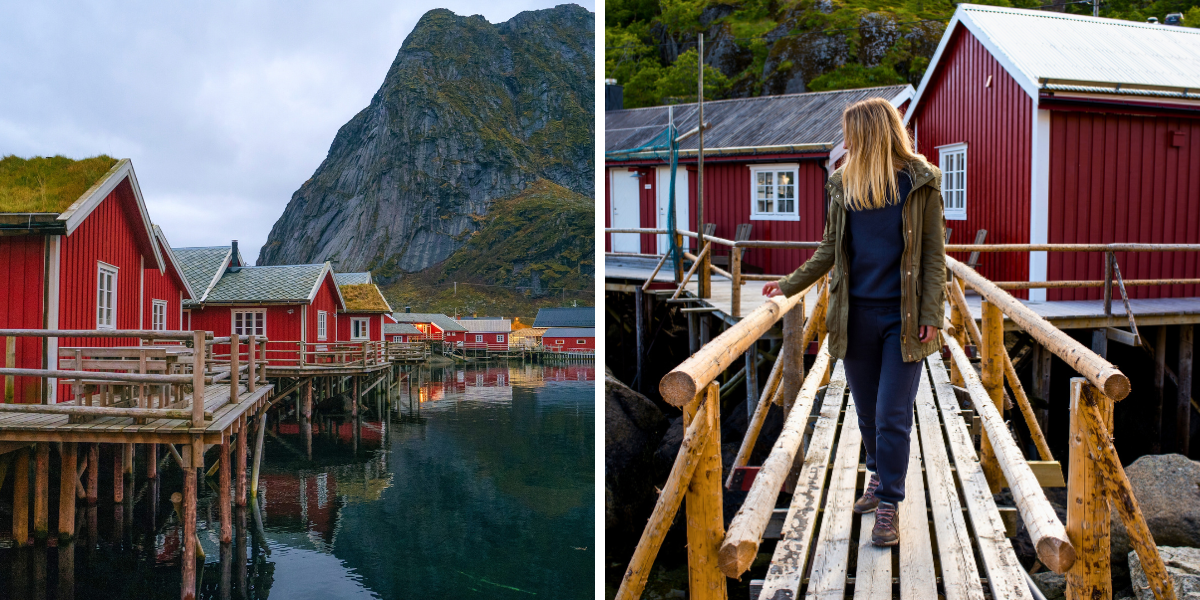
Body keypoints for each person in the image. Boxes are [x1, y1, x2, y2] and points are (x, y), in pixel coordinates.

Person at [762, 97, 946, 547]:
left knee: (891, 415)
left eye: (850, 134)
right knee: (866, 413)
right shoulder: (843, 184)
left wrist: (931, 314)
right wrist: (787, 285)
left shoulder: (921, 182)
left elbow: (933, 256)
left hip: (903, 319)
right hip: (855, 316)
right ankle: (877, 474)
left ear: (869, 133)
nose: (844, 143)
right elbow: (829, 249)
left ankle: (889, 504)